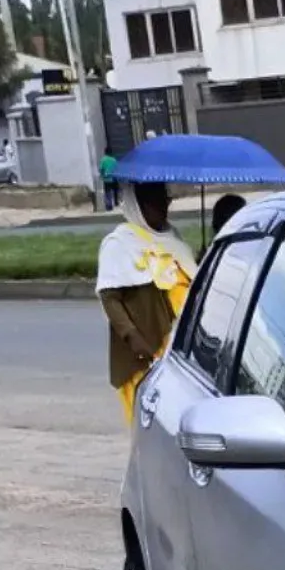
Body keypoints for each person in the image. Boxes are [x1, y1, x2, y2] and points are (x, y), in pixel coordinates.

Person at [96, 180, 197, 425]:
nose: (164, 208)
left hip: (181, 350)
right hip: (145, 353)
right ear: (138, 206)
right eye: (156, 202)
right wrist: (133, 338)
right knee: (151, 427)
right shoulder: (119, 243)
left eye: (166, 200)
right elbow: (110, 300)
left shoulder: (173, 236)